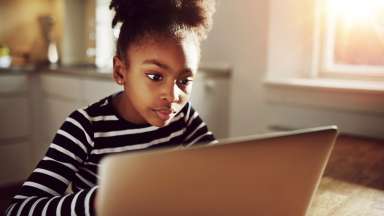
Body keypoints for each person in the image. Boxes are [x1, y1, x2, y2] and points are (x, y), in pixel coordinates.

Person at [6, 0, 216, 215]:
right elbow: (20, 209)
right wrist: (103, 198)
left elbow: (221, 169)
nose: (172, 96)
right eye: (155, 76)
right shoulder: (85, 127)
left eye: (184, 81)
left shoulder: (185, 118)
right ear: (120, 72)